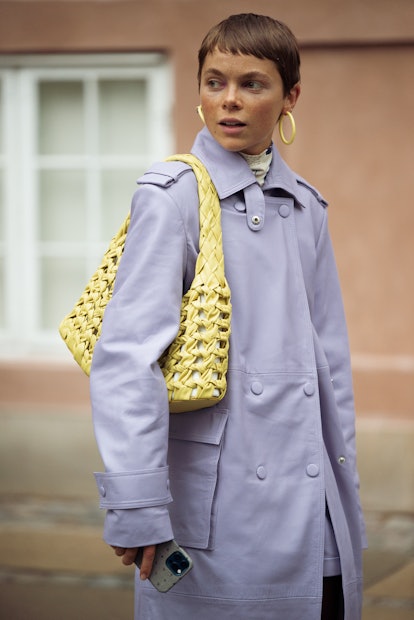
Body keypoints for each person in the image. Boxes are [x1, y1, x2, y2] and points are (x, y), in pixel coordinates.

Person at [90, 13, 366, 620]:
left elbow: (330, 370)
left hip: (312, 503)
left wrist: (344, 504)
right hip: (213, 510)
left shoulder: (306, 207)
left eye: (253, 84)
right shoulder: (173, 196)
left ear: (290, 96)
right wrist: (135, 505)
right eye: (214, 82)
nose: (230, 101)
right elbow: (125, 359)